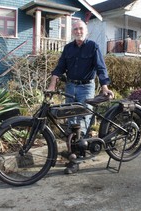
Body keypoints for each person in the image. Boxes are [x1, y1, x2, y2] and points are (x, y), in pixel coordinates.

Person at [47, 20, 114, 174]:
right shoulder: (68, 48)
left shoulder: (93, 46)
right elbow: (59, 68)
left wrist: (104, 87)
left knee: (83, 121)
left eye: (81, 28)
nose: (78, 31)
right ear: (72, 32)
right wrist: (52, 85)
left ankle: (76, 159)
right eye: (75, 29)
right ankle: (75, 152)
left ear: (86, 31)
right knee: (71, 121)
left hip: (86, 87)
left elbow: (100, 68)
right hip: (70, 86)